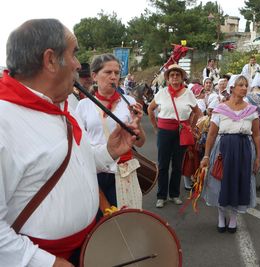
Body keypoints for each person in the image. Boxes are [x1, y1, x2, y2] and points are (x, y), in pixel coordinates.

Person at [0, 19, 140, 267]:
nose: (78, 65)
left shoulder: (66, 105)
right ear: (50, 60)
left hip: (86, 247)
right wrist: (47, 263)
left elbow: (78, 162)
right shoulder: (4, 120)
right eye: (73, 54)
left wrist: (109, 151)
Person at [75, 53, 146, 210]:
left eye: (116, 73)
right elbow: (79, 144)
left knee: (127, 220)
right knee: (100, 221)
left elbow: (140, 143)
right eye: (108, 72)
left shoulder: (130, 103)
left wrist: (137, 123)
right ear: (94, 76)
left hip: (124, 171)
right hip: (95, 171)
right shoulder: (84, 105)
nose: (113, 77)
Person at [200, 75, 260, 233]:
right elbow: (212, 134)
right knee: (221, 183)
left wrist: (258, 158)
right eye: (240, 85)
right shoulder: (220, 109)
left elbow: (256, 135)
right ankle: (221, 216)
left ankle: (233, 218)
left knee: (240, 183)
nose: (244, 88)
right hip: (223, 150)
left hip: (244, 151)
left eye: (246, 85)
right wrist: (206, 156)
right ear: (232, 88)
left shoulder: (251, 110)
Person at [148, 64, 202, 208]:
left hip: (181, 132)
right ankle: (161, 196)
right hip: (164, 131)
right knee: (163, 164)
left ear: (182, 77)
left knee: (178, 164)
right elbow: (150, 109)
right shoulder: (162, 92)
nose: (175, 78)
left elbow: (197, 112)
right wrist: (155, 127)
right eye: (172, 75)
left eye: (177, 75)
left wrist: (191, 126)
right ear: (168, 78)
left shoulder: (188, 93)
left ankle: (174, 194)